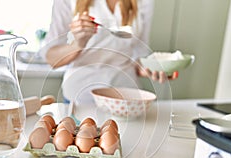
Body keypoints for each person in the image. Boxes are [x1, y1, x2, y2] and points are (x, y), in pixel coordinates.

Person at [40, 0, 178, 104]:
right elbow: (51, 58)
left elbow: (139, 54)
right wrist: (77, 44)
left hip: (125, 98)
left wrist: (151, 68)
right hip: (80, 98)